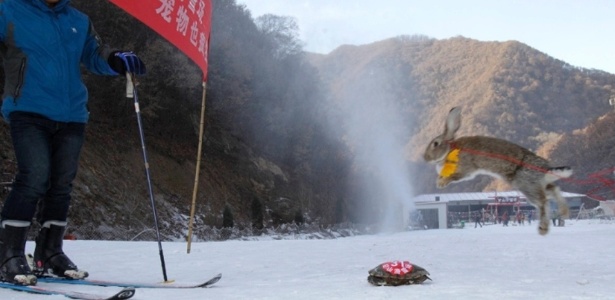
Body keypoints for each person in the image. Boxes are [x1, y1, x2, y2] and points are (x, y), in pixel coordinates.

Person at [0, 0, 145, 285]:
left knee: (61, 185)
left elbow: (94, 54)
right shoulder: (9, 9)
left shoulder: (78, 19)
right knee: (34, 177)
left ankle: (50, 253)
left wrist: (116, 59)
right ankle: (9, 254)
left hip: (72, 115)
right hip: (27, 109)